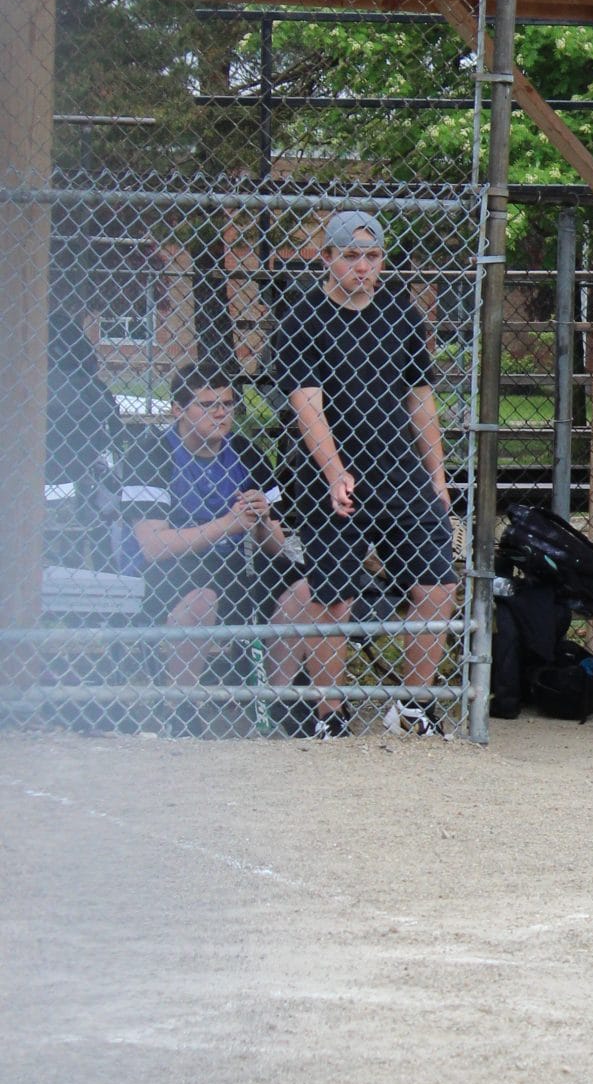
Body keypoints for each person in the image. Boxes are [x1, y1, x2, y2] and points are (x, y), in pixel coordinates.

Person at [268, 208, 457, 740]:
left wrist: (437, 476)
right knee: (334, 594)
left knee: (438, 584)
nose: (362, 267)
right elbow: (308, 405)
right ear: (327, 258)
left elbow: (420, 397)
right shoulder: (302, 317)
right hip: (328, 476)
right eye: (350, 255)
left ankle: (413, 706)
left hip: (398, 469)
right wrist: (334, 473)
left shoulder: (399, 313)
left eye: (372, 257)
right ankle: (332, 713)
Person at [130, 367, 315, 727]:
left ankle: (277, 701)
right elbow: (153, 546)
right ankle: (179, 708)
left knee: (303, 588)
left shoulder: (246, 452)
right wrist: (227, 525)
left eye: (228, 404)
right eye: (207, 404)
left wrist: (261, 521)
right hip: (172, 568)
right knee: (203, 597)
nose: (220, 413)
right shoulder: (152, 452)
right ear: (178, 410)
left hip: (235, 562)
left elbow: (277, 544)